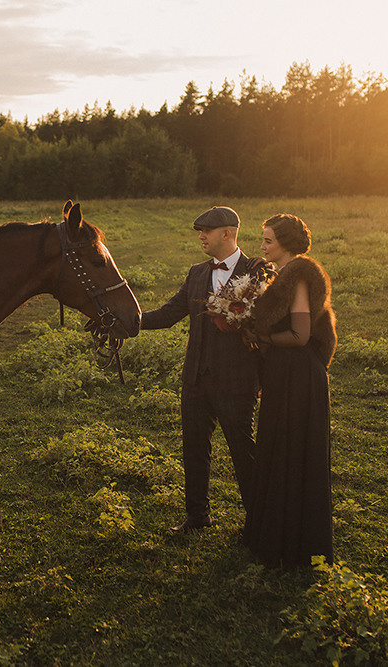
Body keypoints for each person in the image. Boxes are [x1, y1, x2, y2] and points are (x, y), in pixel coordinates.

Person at [140, 206, 268, 533]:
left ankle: (260, 520)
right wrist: (131, 322)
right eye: (199, 231)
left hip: (237, 383)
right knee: (194, 451)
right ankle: (197, 517)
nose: (201, 237)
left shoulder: (256, 272)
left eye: (206, 231)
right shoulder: (197, 273)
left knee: (243, 452)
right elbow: (170, 313)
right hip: (195, 379)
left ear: (227, 233)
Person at [243, 213, 337, 568]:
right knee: (277, 445)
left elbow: (300, 336)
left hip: (298, 375)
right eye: (263, 240)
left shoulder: (298, 275)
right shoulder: (281, 274)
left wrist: (262, 337)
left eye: (268, 241)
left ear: (285, 243)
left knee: (291, 449)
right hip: (284, 372)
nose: (262, 247)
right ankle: (273, 534)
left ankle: (291, 543)